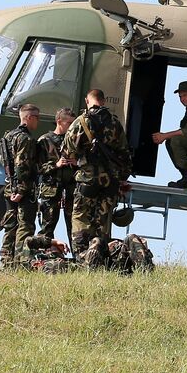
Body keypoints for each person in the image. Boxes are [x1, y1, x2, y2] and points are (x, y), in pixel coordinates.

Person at [62, 88, 132, 260]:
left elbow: (67, 152)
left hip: (88, 178)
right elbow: (125, 154)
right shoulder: (115, 123)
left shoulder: (80, 122)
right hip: (110, 181)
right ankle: (102, 256)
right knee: (103, 220)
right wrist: (121, 178)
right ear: (104, 101)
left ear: (87, 101)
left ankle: (81, 258)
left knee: (81, 217)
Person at [0, 103, 41, 268]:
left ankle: (7, 261)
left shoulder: (8, 137)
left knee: (10, 225)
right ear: (28, 118)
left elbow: (3, 161)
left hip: (9, 187)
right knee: (25, 227)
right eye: (36, 117)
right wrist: (22, 189)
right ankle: (22, 263)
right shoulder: (26, 139)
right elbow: (22, 165)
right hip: (23, 190)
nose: (38, 121)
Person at [151, 80, 187, 188]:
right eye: (180, 96)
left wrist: (164, 135)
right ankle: (186, 176)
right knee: (170, 141)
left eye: (185, 95)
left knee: (175, 140)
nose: (182, 99)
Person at [37, 107, 77, 242]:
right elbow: (36, 167)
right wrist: (56, 165)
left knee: (75, 226)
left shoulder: (74, 142)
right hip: (52, 188)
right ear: (59, 121)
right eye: (69, 123)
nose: (72, 127)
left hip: (72, 189)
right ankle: (44, 255)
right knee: (48, 224)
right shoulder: (44, 141)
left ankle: (79, 257)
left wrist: (77, 162)